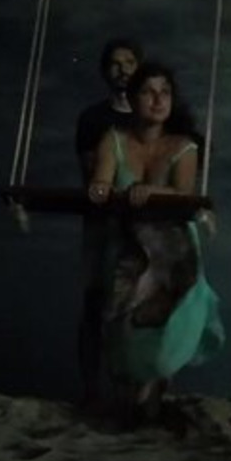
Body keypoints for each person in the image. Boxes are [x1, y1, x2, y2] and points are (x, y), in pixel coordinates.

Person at [86, 62, 225, 425]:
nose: (158, 99)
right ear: (133, 99)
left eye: (165, 92)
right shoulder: (114, 140)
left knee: (168, 327)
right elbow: (101, 182)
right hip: (131, 244)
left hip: (173, 248)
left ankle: (153, 398)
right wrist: (101, 188)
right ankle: (129, 405)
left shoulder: (183, 146)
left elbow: (183, 192)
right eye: (148, 91)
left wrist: (151, 191)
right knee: (122, 324)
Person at [75, 38, 143, 409]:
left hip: (145, 225)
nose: (123, 69)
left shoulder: (152, 117)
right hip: (102, 223)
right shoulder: (93, 118)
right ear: (105, 71)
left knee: (137, 306)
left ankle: (131, 391)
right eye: (115, 63)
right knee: (95, 303)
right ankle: (91, 389)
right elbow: (91, 171)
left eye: (130, 62)